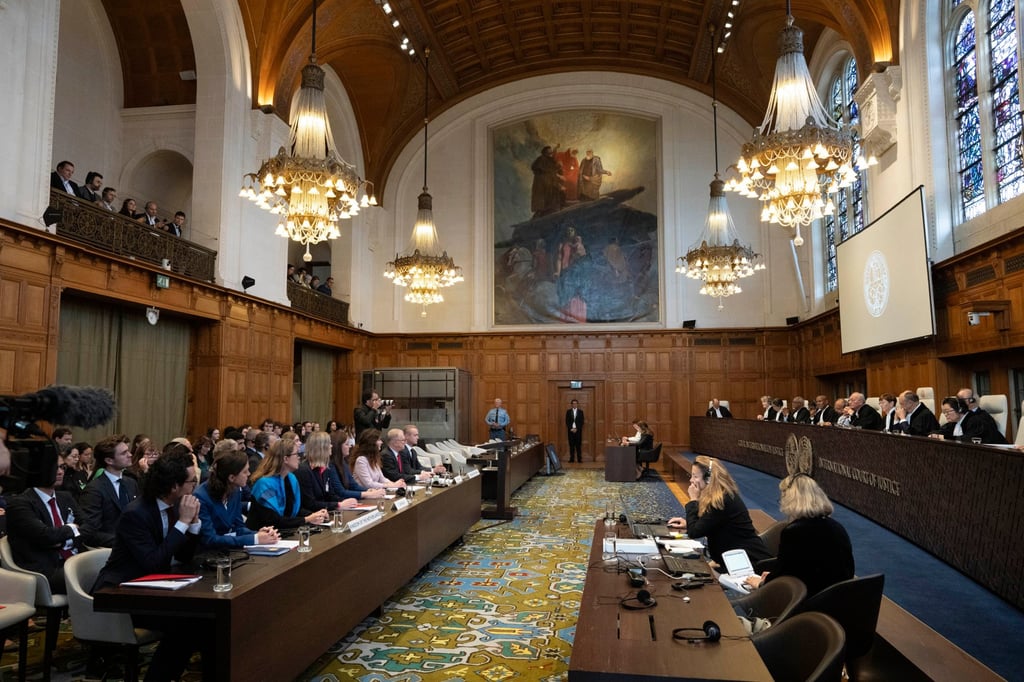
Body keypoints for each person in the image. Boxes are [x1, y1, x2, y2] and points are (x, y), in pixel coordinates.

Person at [91, 449, 216, 681]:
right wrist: (183, 523)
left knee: (210, 621)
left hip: (153, 587)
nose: (195, 486)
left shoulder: (176, 505)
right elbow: (152, 563)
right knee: (188, 627)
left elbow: (185, 555)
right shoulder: (137, 514)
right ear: (174, 487)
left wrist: (194, 524)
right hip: (122, 592)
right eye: (191, 482)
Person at [742, 474, 854, 597]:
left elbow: (786, 574)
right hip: (838, 598)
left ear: (789, 499)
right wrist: (772, 576)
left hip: (808, 601)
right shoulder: (837, 527)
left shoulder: (794, 532)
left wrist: (762, 583)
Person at [666, 456, 771, 567]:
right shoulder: (721, 495)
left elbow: (694, 532)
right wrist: (688, 524)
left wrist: (693, 500)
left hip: (747, 563)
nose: (691, 480)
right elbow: (709, 523)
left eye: (695, 476)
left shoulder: (720, 501)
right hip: (731, 559)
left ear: (708, 479)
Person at [6, 463, 84, 594]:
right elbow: (46, 536)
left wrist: (63, 539)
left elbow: (88, 526)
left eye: (62, 467)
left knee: (113, 571)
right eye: (55, 467)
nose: (60, 472)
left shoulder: (65, 497)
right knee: (99, 577)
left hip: (74, 559)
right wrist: (72, 528)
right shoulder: (20, 503)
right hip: (46, 569)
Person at [195, 449, 279, 550]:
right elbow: (210, 539)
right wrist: (254, 539)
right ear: (231, 477)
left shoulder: (235, 491)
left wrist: (259, 533)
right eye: (245, 471)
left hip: (230, 551)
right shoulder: (201, 497)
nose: (249, 474)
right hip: (208, 555)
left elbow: (238, 527)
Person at [247, 435, 329, 531]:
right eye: (296, 454)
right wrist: (307, 519)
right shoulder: (265, 484)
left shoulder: (291, 479)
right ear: (285, 459)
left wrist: (315, 515)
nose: (299, 457)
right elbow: (274, 521)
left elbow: (295, 511)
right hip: (263, 535)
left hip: (285, 532)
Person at [79, 434, 138, 547]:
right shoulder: (93, 490)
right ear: (109, 460)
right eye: (124, 453)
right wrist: (125, 541)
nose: (130, 455)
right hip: (108, 550)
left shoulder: (131, 483)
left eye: (128, 451)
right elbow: (90, 532)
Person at [295, 431, 361, 511]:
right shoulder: (304, 471)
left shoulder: (324, 469)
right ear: (321, 447)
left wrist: (346, 501)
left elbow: (330, 495)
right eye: (328, 443)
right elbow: (310, 504)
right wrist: (338, 505)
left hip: (323, 513)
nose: (331, 446)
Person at [326, 429, 386, 501]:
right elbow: (341, 492)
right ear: (338, 446)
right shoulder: (331, 465)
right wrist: (366, 494)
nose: (350, 446)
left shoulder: (343, 463)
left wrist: (369, 490)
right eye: (346, 444)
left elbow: (353, 485)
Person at [530, 144, 564, 217]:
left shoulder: (549, 159)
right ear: (545, 152)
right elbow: (535, 167)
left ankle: (551, 209)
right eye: (549, 152)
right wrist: (545, 172)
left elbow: (553, 168)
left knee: (552, 196)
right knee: (543, 199)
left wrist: (557, 167)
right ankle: (542, 212)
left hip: (549, 182)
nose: (551, 153)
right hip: (542, 183)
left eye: (551, 152)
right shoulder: (541, 159)